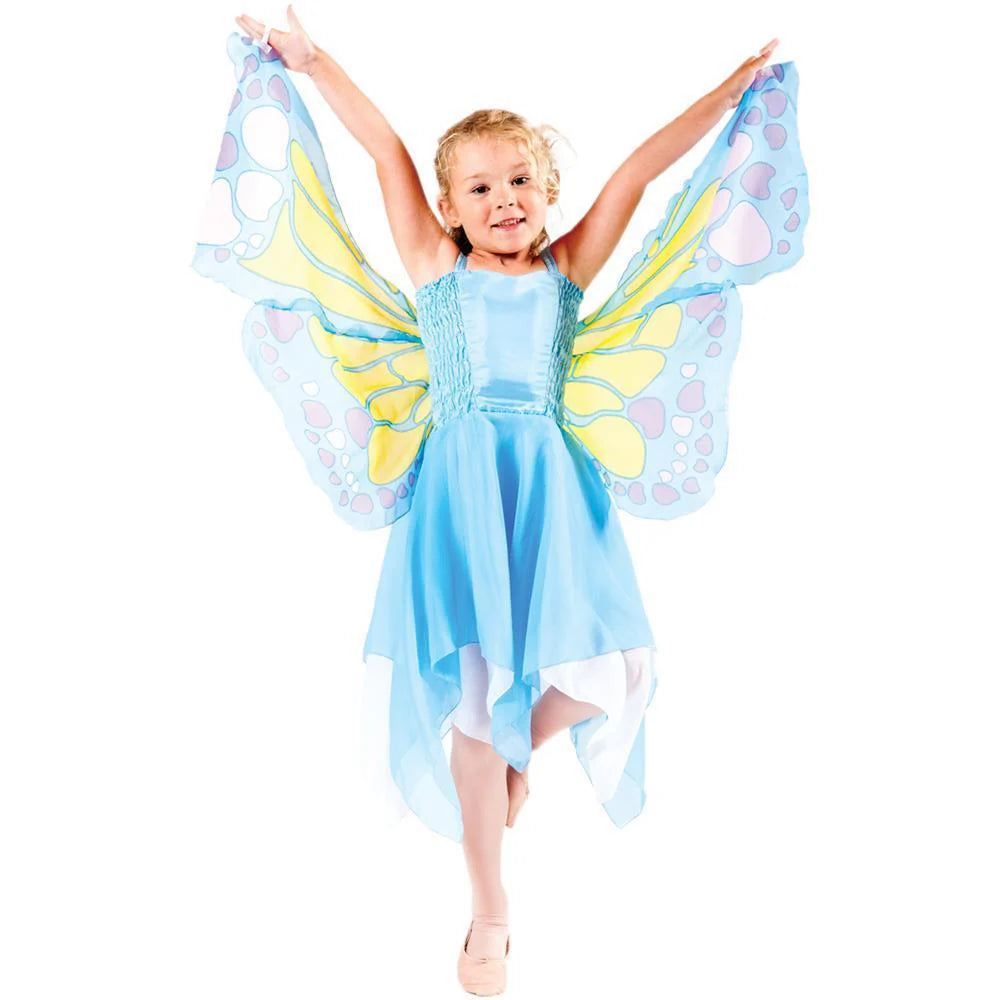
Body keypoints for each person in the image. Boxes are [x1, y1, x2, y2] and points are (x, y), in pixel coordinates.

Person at [191, 8, 808, 993]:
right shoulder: (437, 269)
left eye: (520, 180)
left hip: (552, 494)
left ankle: (523, 749)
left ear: (547, 191)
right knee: (475, 692)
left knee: (618, 665)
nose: (504, 199)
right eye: (479, 188)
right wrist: (314, 63)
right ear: (448, 206)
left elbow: (639, 174)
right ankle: (489, 913)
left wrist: (727, 94)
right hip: (459, 498)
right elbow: (382, 147)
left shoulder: (565, 270)